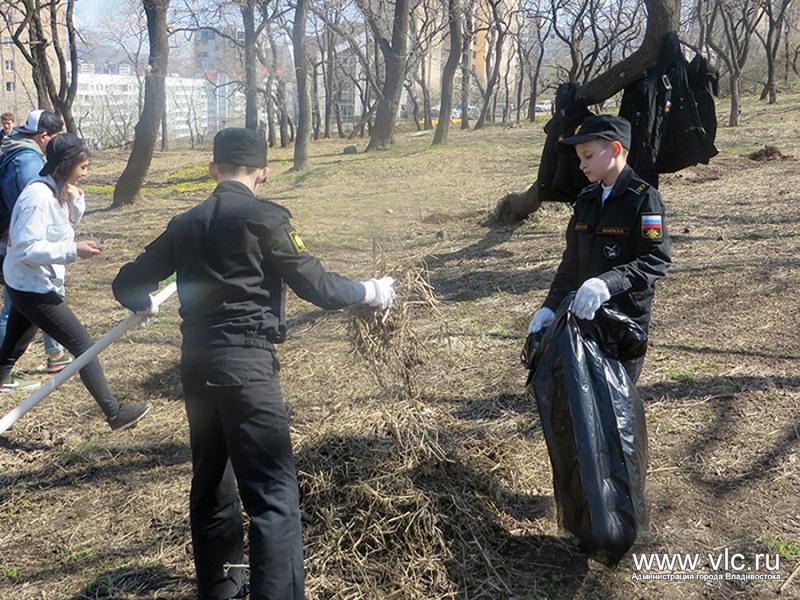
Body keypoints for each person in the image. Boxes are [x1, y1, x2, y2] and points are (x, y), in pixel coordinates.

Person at [112, 127, 396, 600]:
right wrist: (370, 291)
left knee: (211, 484)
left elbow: (126, 283)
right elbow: (316, 285)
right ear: (263, 172)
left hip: (196, 367)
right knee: (273, 496)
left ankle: (220, 589)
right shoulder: (267, 219)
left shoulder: (184, 223)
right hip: (247, 366)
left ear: (213, 169)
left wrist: (143, 301)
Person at [0, 133, 151, 430]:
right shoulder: (37, 198)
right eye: (83, 167)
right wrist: (73, 250)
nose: (86, 173)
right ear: (65, 166)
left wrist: (75, 200)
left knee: (10, 352)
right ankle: (114, 413)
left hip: (30, 284)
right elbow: (26, 248)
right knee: (84, 346)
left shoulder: (57, 191)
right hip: (32, 288)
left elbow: (63, 227)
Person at [528, 114, 671, 382]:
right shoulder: (586, 200)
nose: (581, 165)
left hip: (624, 323)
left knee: (617, 399)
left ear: (615, 149)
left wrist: (607, 283)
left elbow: (654, 259)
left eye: (588, 156)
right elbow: (571, 263)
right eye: (579, 158)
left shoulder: (644, 199)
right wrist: (550, 307)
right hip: (584, 319)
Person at [0, 109, 74, 387]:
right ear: (43, 136)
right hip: (19, 245)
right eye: (54, 137)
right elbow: (32, 207)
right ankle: (4, 372)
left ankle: (55, 354)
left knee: (35, 299)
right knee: (16, 305)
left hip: (14, 241)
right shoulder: (29, 161)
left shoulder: (15, 150)